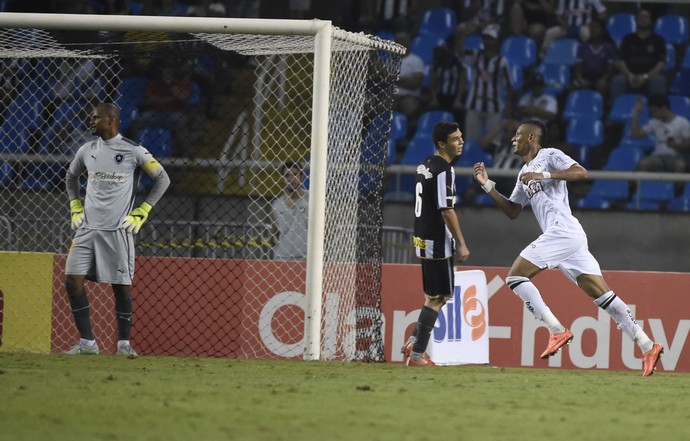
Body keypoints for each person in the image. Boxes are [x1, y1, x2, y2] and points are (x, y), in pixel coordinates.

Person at [472, 119, 663, 376]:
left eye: (517, 134)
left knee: (515, 277)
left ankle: (556, 330)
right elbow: (513, 210)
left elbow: (581, 172)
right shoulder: (523, 173)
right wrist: (487, 185)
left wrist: (546, 174)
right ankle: (648, 345)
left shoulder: (549, 156)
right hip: (567, 238)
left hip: (562, 231)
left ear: (531, 137)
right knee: (603, 296)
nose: (512, 139)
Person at [64, 102, 171, 356]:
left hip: (117, 230)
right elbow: (71, 177)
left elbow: (163, 179)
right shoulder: (86, 150)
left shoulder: (134, 151)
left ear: (111, 120)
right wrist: (75, 206)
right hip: (87, 228)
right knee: (72, 279)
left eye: (95, 117)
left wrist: (142, 211)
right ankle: (87, 343)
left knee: (121, 286)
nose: (90, 121)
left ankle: (124, 344)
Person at [401, 121, 471, 367]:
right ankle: (417, 354)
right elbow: (447, 210)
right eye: (455, 139)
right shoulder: (444, 169)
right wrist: (461, 243)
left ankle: (413, 342)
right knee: (438, 297)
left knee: (433, 295)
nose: (461, 142)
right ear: (442, 144)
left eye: (461, 137)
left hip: (422, 236)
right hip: (437, 240)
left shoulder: (424, 165)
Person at [609, 8, 666, 104]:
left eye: (646, 17)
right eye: (640, 17)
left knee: (658, 80)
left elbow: (661, 63)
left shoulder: (658, 40)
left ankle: (658, 113)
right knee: (617, 80)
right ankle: (617, 112)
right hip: (630, 76)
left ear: (651, 21)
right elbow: (621, 61)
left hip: (650, 76)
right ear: (635, 20)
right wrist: (629, 75)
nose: (642, 19)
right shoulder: (627, 39)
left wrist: (646, 76)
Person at [631, 94, 690, 173]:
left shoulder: (683, 122)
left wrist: (676, 145)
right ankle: (638, 185)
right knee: (642, 164)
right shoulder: (654, 123)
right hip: (657, 157)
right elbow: (634, 135)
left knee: (680, 166)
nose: (653, 115)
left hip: (675, 157)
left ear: (664, 108)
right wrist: (637, 112)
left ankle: (677, 186)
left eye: (654, 111)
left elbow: (688, 145)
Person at [271, 161, 309, 261]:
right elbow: (275, 232)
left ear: (302, 178)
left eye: (295, 174)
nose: (292, 179)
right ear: (282, 179)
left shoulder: (312, 201)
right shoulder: (276, 205)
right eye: (287, 175)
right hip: (282, 258)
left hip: (307, 258)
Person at [571, 19, 617, 98]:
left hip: (602, 76)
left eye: (596, 27)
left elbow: (610, 70)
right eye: (591, 27)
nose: (593, 29)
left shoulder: (609, 47)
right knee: (575, 85)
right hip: (586, 76)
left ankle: (602, 108)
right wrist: (580, 78)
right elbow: (578, 68)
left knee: (601, 86)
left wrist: (604, 79)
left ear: (602, 31)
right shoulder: (583, 47)